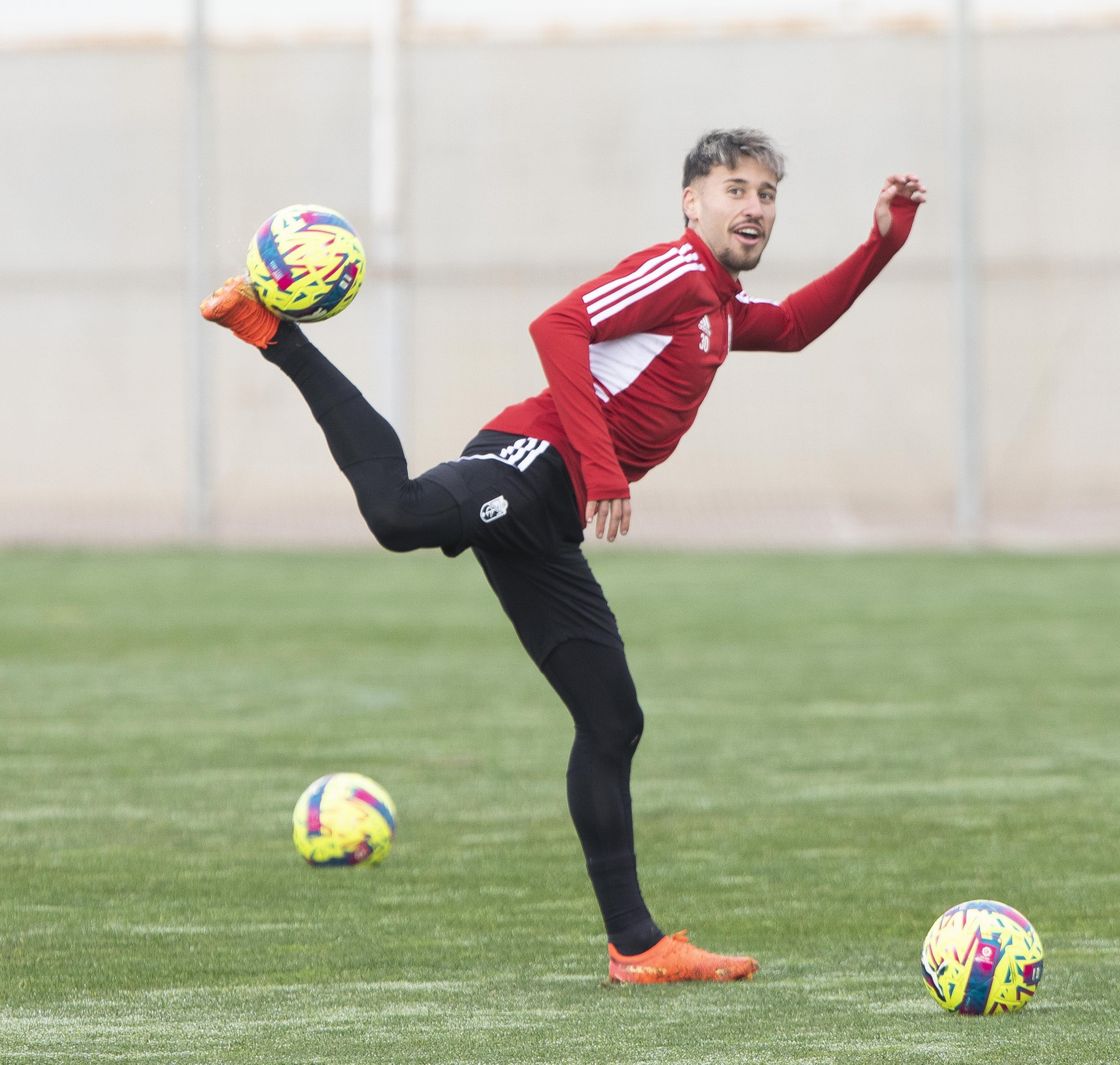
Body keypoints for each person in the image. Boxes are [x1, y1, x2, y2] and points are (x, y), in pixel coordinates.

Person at [201, 128, 925, 984]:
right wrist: (603, 465)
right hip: (529, 459)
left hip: (552, 517)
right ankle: (275, 334)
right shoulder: (677, 270)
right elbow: (558, 326)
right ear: (692, 202)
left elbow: (796, 325)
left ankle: (637, 947)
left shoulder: (719, 307)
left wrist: (882, 242)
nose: (755, 207)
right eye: (735, 189)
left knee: (613, 720)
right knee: (397, 514)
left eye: (766, 194)